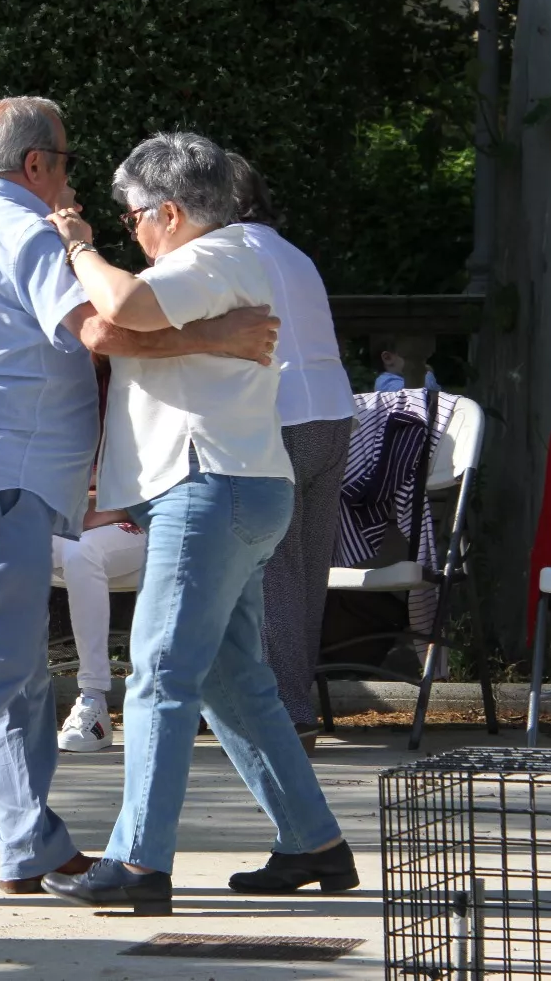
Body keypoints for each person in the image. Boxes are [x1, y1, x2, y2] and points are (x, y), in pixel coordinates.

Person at [0, 97, 282, 905]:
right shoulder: (25, 228)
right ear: (34, 164)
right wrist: (222, 336)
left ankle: (28, 842)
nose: (69, 179)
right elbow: (102, 331)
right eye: (65, 161)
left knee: (20, 667)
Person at [43, 133, 357, 916]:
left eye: (134, 219)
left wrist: (77, 243)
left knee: (158, 676)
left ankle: (139, 860)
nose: (130, 233)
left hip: (209, 489)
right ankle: (312, 842)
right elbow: (122, 329)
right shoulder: (226, 259)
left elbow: (117, 309)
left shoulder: (211, 257)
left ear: (172, 213)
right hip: (234, 487)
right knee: (230, 679)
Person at [227, 153, 354, 750]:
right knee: (306, 572)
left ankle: (286, 715)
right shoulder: (289, 251)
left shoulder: (226, 252)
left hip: (282, 415)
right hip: (332, 410)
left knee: (272, 568)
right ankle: (295, 702)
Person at [53, 362, 147, 753]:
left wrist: (108, 508)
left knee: (81, 552)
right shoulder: (54, 383)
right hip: (66, 519)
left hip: (138, 524)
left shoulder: (148, 380)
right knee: (0, 548)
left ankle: (93, 701)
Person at [373, 335, 440, 392]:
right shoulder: (385, 382)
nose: (420, 361)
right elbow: (418, 394)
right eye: (413, 355)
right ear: (387, 358)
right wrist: (427, 373)